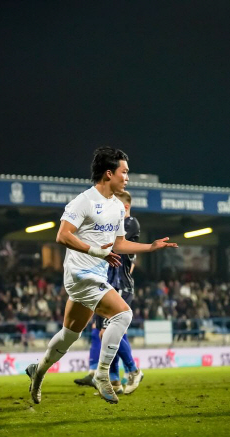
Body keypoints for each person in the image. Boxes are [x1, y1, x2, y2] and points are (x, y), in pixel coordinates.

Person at [26, 147, 178, 405]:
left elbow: (118, 244)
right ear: (109, 173)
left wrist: (150, 247)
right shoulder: (83, 201)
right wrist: (98, 252)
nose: (127, 177)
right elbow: (62, 235)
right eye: (124, 172)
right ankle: (102, 373)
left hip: (95, 276)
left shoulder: (118, 207)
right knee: (123, 313)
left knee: (69, 335)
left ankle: (37, 371)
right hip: (79, 274)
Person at [74, 190, 144, 394]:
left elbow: (111, 243)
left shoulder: (131, 224)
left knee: (107, 332)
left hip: (119, 285)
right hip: (104, 285)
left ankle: (133, 370)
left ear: (126, 207)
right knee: (104, 333)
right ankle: (114, 381)